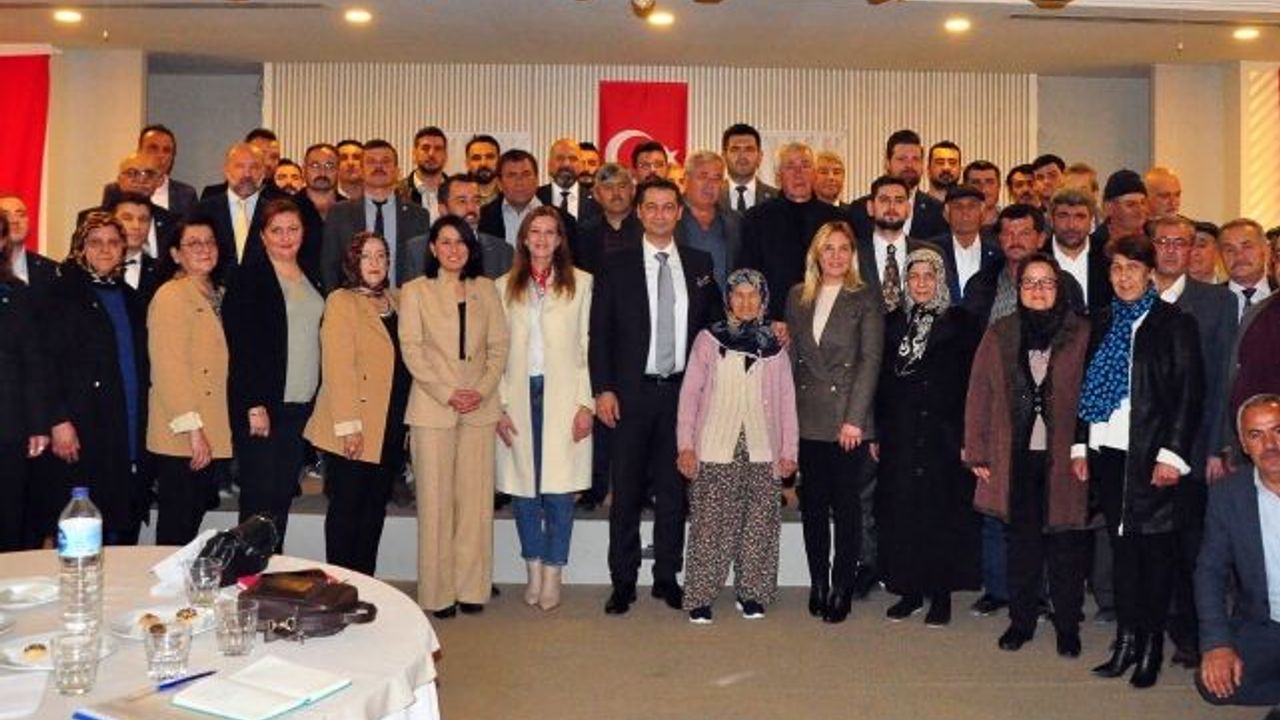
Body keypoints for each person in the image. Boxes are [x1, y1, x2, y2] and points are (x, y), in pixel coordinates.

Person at [1074, 233, 1204, 689]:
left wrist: (1172, 455)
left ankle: (1150, 647)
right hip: (1109, 454)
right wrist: (1080, 446)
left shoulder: (1174, 323)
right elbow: (1086, 389)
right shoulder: (1103, 321)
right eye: (1116, 268)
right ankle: (1125, 642)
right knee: (1122, 553)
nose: (1124, 277)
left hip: (1153, 457)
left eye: (1133, 268)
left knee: (1155, 557)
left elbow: (1189, 394)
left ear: (1150, 273)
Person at [590, 178, 723, 616]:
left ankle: (667, 576)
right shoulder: (616, 265)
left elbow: (714, 327)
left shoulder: (700, 264)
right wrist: (603, 389)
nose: (661, 214)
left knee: (673, 492)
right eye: (652, 207)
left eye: (669, 207)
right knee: (626, 492)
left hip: (682, 396)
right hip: (630, 395)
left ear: (679, 213)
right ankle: (623, 581)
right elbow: (600, 334)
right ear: (640, 212)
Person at [965, 253, 1091, 655]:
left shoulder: (1082, 333)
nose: (1038, 290)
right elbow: (979, 392)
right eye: (1029, 283)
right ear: (1018, 290)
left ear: (1060, 288)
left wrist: (1089, 448)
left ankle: (1067, 626)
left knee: (1066, 547)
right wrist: (978, 450)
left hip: (1067, 460)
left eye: (1046, 282)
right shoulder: (1000, 332)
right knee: (1022, 545)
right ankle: (1021, 622)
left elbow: (1093, 398)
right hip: (1015, 457)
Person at [400, 216, 509, 618]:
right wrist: (448, 393)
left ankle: (471, 587)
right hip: (433, 408)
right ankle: (437, 593)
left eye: (460, 242)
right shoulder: (415, 291)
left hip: (480, 407)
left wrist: (480, 390)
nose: (453, 249)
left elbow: (499, 347)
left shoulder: (487, 289)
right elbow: (412, 350)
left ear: (470, 247)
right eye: (444, 242)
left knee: (475, 503)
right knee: (435, 502)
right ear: (432, 248)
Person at [677, 269, 798, 623]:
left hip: (763, 448)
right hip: (714, 446)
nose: (746, 302)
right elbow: (689, 396)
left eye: (753, 295)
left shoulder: (776, 347)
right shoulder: (707, 340)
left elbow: (787, 402)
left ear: (763, 300)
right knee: (709, 526)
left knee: (759, 525)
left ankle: (752, 594)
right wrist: (685, 446)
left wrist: (789, 452)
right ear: (728, 300)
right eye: (738, 295)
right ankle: (700, 596)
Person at [494, 208, 594, 612]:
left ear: (559, 240)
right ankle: (533, 568)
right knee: (524, 492)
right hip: (519, 395)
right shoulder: (502, 286)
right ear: (523, 238)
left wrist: (585, 403)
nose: (541, 239)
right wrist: (500, 404)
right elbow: (495, 351)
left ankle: (554, 571)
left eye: (550, 232)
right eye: (534, 231)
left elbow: (588, 346)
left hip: (564, 397)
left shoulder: (582, 284)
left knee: (558, 492)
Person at [875, 247, 982, 627]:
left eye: (928, 276)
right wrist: (877, 431)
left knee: (942, 514)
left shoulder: (962, 322)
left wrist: (970, 436)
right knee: (903, 512)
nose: (921, 283)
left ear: (940, 279)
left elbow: (974, 383)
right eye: (914, 276)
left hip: (945, 434)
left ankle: (941, 595)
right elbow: (880, 381)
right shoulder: (891, 322)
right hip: (902, 432)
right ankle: (909, 591)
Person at [784, 220, 883, 623]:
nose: (837, 256)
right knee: (813, 508)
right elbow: (793, 360)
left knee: (846, 508)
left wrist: (855, 420)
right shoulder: (797, 296)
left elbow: (870, 361)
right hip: (808, 416)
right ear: (817, 254)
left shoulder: (865, 296)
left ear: (853, 255)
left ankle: (842, 585)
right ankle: (818, 583)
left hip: (847, 421)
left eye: (844, 248)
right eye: (829, 248)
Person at [304, 232, 411, 577]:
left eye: (381, 255)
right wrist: (350, 428)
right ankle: (339, 586)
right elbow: (338, 369)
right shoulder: (341, 301)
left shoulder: (397, 301)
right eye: (366, 256)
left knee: (374, 511)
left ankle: (365, 582)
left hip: (389, 425)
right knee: (346, 511)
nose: (375, 263)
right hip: (353, 426)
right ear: (353, 262)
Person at [222, 198, 324, 550]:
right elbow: (240, 347)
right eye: (276, 230)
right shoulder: (248, 278)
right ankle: (246, 573)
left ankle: (270, 569)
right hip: (264, 407)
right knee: (258, 502)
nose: (285, 237)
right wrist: (253, 404)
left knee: (281, 499)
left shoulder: (312, 274)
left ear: (303, 232)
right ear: (262, 236)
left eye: (292, 229)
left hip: (300, 406)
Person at [44, 211, 150, 545]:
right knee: (83, 523)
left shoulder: (131, 297)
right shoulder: (60, 294)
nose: (105, 249)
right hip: (80, 424)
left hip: (127, 422)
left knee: (123, 515)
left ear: (123, 249)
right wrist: (58, 420)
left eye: (113, 242)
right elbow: (46, 363)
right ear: (80, 247)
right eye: (95, 242)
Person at [147, 217, 231, 545]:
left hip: (210, 424)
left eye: (210, 241)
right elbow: (169, 368)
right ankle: (166, 580)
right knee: (177, 525)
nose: (204, 249)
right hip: (183, 430)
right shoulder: (171, 295)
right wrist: (193, 430)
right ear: (175, 254)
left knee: (193, 516)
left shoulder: (218, 294)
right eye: (193, 243)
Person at [1196, 394, 1280, 716]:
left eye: (1278, 430)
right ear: (1243, 444)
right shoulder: (1229, 494)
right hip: (1266, 624)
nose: (1270, 445)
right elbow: (1209, 571)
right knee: (1216, 684)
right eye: (1256, 435)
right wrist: (1217, 643)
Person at [0, 214, 52, 551]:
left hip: (9, 425)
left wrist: (38, 424)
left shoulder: (16, 292)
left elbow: (33, 361)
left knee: (10, 519)